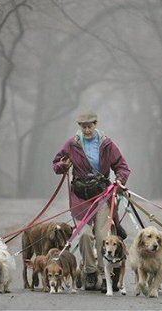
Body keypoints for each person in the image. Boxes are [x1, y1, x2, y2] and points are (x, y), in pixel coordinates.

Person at [52, 111, 130, 291]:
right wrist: (63, 165)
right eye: (83, 126)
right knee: (85, 235)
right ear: (79, 126)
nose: (87, 130)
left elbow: (122, 166)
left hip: (102, 195)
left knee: (103, 237)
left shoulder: (107, 144)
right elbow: (56, 164)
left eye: (90, 126)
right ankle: (90, 272)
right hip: (80, 198)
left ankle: (105, 274)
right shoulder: (72, 144)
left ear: (96, 124)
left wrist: (119, 180)